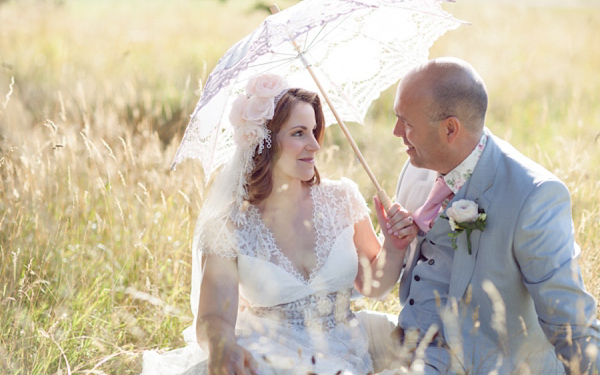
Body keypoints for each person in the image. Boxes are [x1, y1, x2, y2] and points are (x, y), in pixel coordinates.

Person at [141, 73, 416, 375]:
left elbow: (373, 286)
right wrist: (222, 345)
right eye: (299, 133)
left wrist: (394, 245)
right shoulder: (229, 226)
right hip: (269, 354)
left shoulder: (342, 198)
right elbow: (213, 317)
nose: (314, 145)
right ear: (265, 141)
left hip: (346, 346)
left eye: (314, 131)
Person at [385, 57, 600, 374]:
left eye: (407, 123)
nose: (395, 131)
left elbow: (571, 321)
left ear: (450, 129)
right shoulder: (416, 166)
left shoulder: (534, 196)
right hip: (404, 343)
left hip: (475, 362)